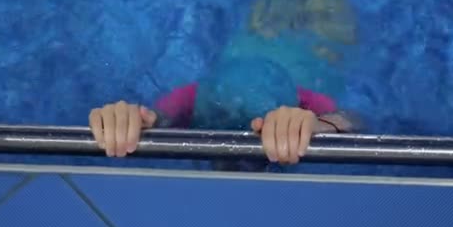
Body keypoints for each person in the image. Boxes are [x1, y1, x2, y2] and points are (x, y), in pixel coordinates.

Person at [89, 57, 357, 165]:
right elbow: (155, 119)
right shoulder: (194, 98)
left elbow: (351, 120)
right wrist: (128, 121)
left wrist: (321, 127)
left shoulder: (303, 101)